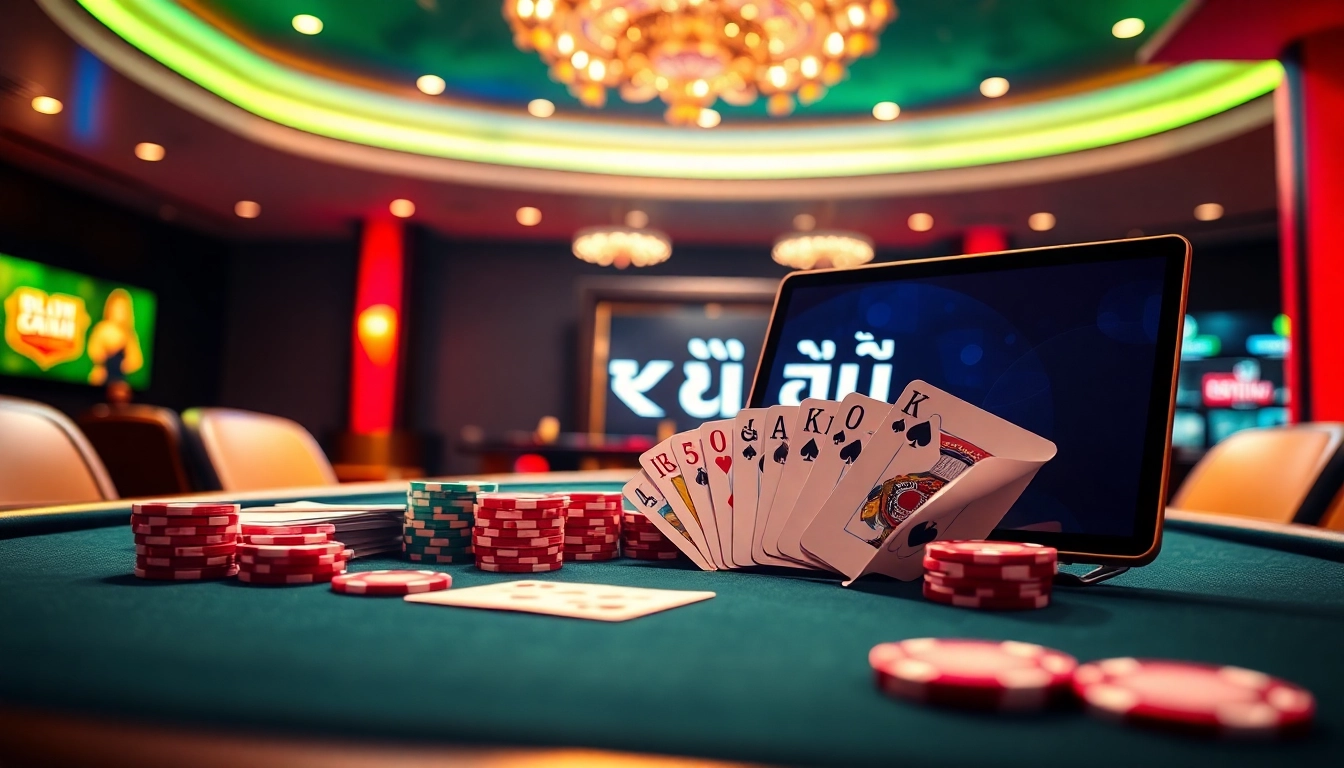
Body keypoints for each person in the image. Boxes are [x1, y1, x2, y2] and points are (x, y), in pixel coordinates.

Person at [87, 288, 143, 386]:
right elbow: (93, 350)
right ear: (110, 308)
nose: (119, 312)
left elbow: (137, 360)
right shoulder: (102, 328)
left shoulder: (128, 334)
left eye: (122, 308)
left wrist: (123, 364)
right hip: (102, 376)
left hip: (118, 381)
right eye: (116, 307)